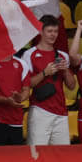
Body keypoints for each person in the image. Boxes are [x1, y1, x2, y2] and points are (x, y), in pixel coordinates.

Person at [24, 15, 76, 147]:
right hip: (39, 110)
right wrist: (44, 73)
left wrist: (65, 70)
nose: (53, 35)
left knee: (62, 154)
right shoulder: (29, 54)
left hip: (61, 111)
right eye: (49, 31)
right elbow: (26, 84)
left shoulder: (62, 55)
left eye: (56, 31)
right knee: (37, 152)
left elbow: (72, 86)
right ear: (41, 31)